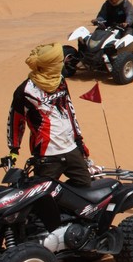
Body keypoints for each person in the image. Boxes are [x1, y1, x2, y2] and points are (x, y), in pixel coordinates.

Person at [8, 43, 93, 187]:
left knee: (84, 185)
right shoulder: (25, 90)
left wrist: (79, 140)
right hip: (47, 154)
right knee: (42, 194)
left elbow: (70, 111)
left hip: (70, 148)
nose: (61, 64)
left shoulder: (60, 81)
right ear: (50, 65)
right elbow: (16, 120)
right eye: (59, 62)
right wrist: (14, 149)